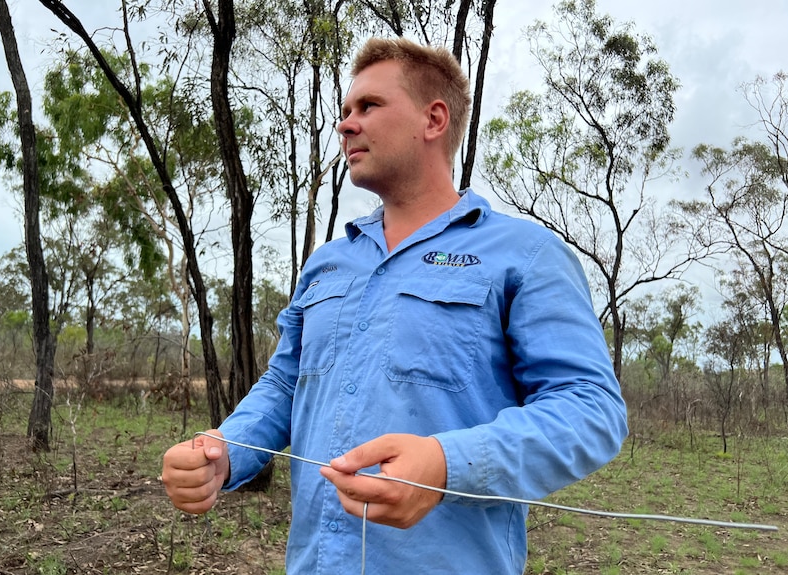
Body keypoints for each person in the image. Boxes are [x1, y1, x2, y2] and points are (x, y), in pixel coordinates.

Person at [162, 36, 628, 574]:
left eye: (368, 106)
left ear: (433, 120)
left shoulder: (526, 256)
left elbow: (591, 409)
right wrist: (225, 452)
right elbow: (287, 385)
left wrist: (445, 464)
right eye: (344, 111)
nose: (345, 124)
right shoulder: (328, 263)